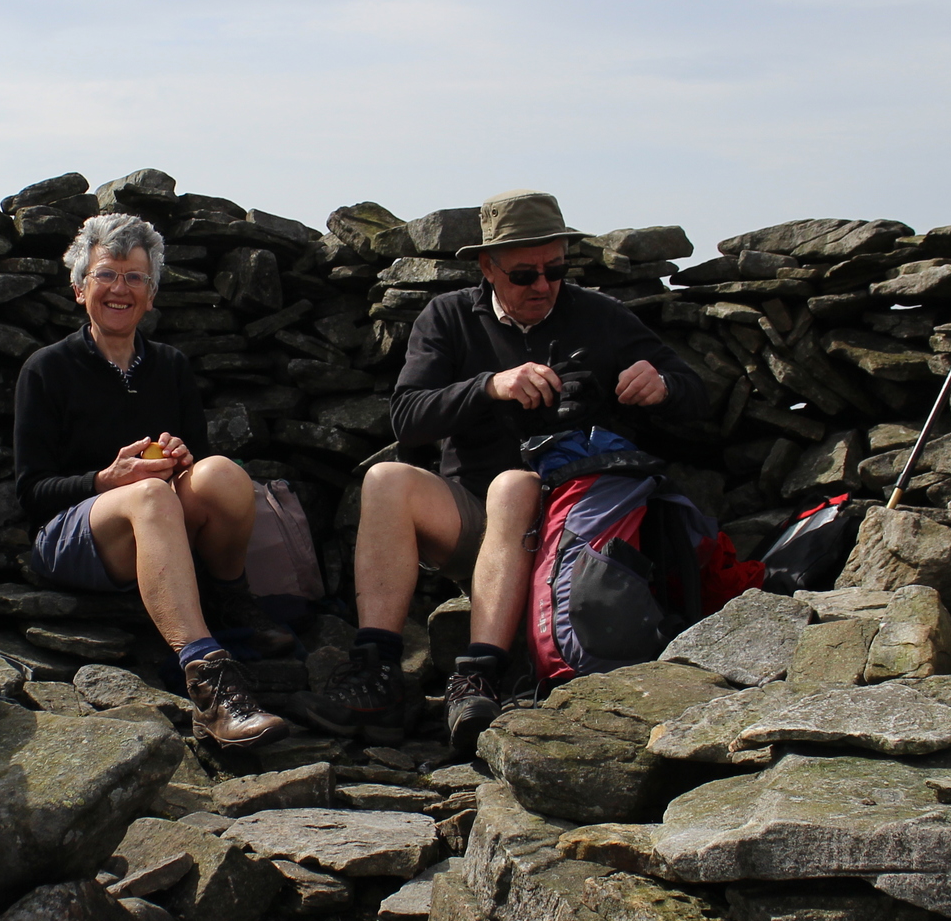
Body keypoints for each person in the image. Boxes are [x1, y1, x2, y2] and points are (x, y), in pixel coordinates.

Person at [302, 189, 708, 749]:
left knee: (515, 484)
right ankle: (376, 667)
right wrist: (490, 386)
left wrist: (662, 387)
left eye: (555, 270)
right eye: (524, 275)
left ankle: (479, 673)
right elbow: (408, 417)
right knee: (385, 478)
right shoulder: (448, 317)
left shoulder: (601, 318)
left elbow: (696, 395)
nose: (542, 286)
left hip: (571, 532)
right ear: (487, 267)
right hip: (473, 523)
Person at [14, 212, 289, 749]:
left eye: (135, 277)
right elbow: (31, 494)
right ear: (79, 289)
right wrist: (104, 480)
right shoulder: (46, 370)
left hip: (155, 522)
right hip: (71, 538)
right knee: (147, 495)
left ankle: (230, 596)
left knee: (220, 474)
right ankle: (209, 682)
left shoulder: (171, 367)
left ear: (152, 294)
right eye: (107, 275)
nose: (121, 288)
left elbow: (198, 475)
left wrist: (186, 461)